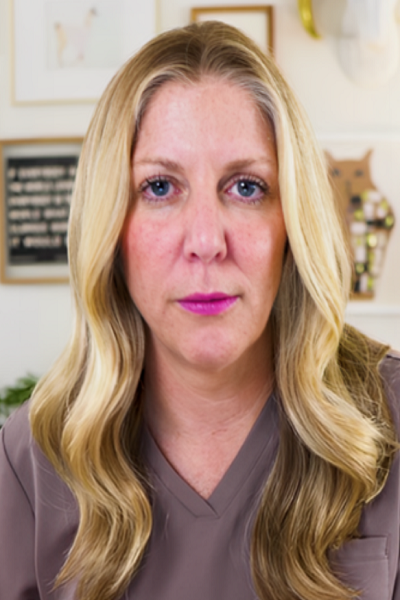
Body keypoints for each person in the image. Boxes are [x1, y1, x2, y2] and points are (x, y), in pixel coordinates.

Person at [0, 21, 399, 600]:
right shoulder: (32, 460)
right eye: (160, 187)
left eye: (246, 187)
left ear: (292, 223)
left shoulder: (390, 419)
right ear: (112, 228)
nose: (207, 241)